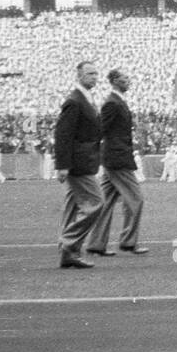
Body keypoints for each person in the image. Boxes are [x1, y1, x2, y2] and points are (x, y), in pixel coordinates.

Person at [84, 68, 149, 257]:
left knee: (104, 202)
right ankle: (128, 241)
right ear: (114, 81)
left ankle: (96, 244)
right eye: (124, 78)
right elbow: (100, 129)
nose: (128, 80)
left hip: (114, 157)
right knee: (136, 199)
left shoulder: (116, 101)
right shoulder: (112, 103)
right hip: (118, 159)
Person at [54, 61, 105, 268]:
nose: (94, 77)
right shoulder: (75, 101)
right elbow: (63, 134)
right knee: (96, 202)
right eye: (90, 73)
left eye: (95, 73)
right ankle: (68, 244)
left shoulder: (86, 97)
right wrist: (62, 165)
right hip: (78, 162)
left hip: (84, 160)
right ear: (79, 76)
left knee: (74, 205)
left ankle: (69, 252)